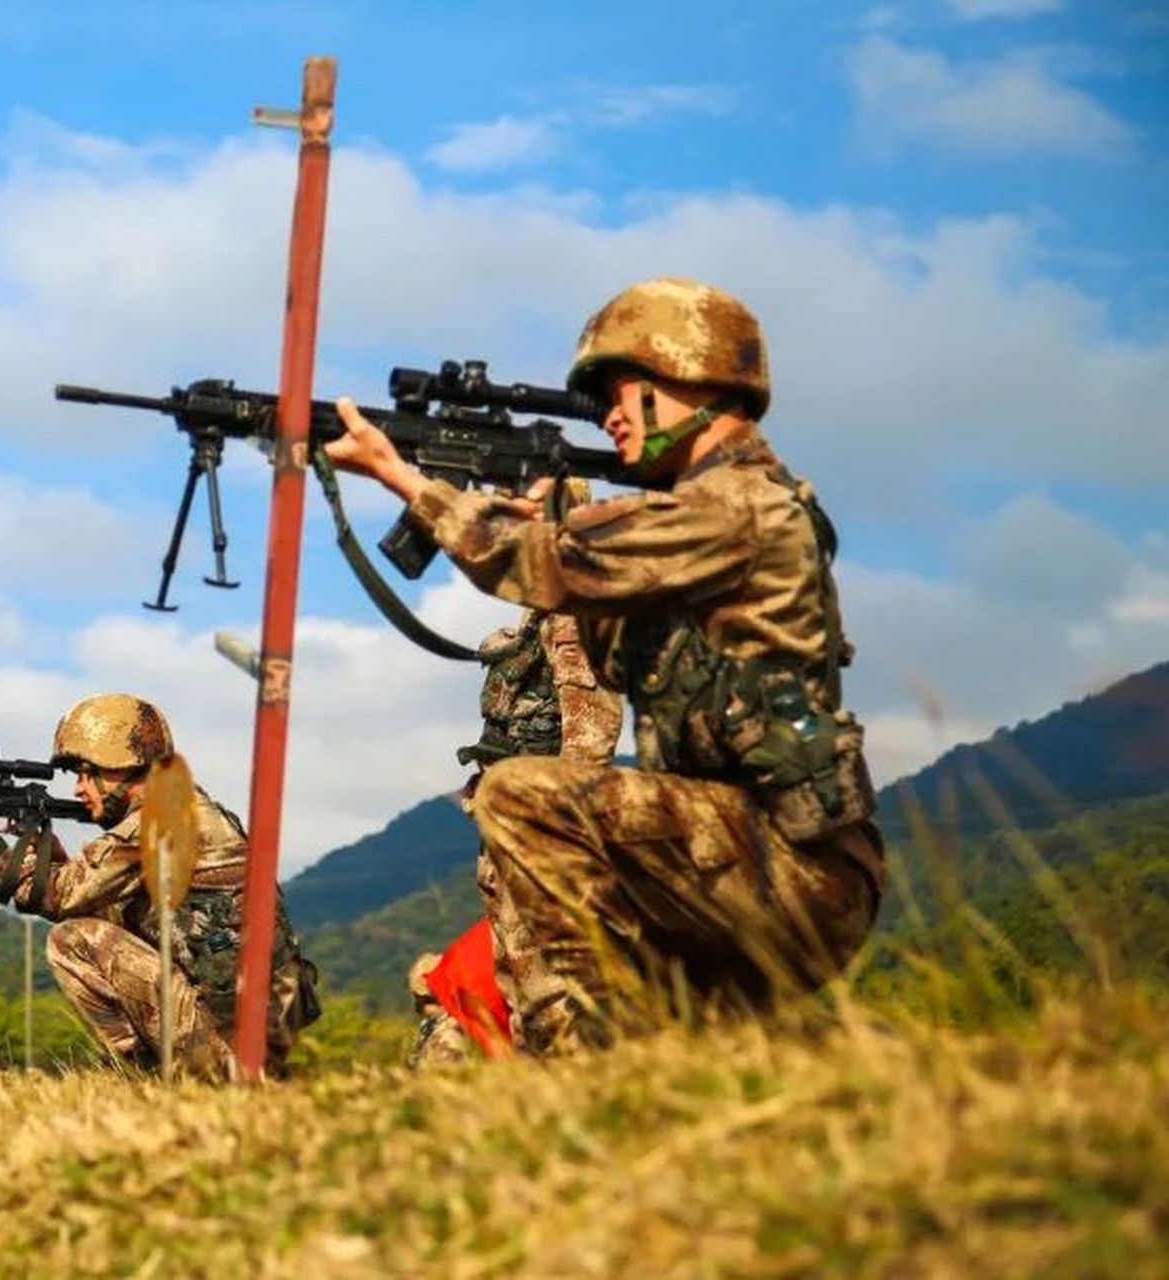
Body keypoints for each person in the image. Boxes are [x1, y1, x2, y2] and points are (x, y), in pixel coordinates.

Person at [325, 276, 884, 1055]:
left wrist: (404, 479)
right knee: (710, 1066)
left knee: (520, 795)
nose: (609, 416)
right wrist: (560, 525)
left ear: (689, 378)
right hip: (727, 856)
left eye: (622, 391)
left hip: (791, 866)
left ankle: (576, 1068)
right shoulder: (699, 512)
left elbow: (534, 563)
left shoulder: (736, 504)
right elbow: (609, 649)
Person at [0, 694, 321, 1081]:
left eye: (85, 773)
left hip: (233, 1048)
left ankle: (151, 1077)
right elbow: (85, 899)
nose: (78, 788)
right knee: (107, 918)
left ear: (118, 765)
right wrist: (50, 861)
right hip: (253, 1034)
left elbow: (60, 898)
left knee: (74, 941)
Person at [410, 479, 622, 1069]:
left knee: (551, 1000)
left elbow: (588, 742)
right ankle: (536, 1101)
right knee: (521, 998)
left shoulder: (572, 617)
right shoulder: (539, 618)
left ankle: (572, 1095)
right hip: (506, 833)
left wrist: (554, 838)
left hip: (541, 838)